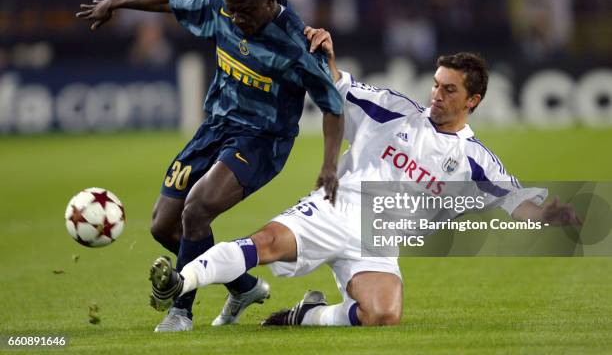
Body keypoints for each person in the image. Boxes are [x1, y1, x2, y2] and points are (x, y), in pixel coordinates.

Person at [147, 27, 580, 327]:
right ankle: (180, 282)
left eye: (450, 90)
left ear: (474, 100)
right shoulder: (393, 109)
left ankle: (304, 316)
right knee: (267, 245)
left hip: (377, 241)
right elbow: (337, 84)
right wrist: (327, 55)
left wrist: (546, 214)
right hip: (337, 208)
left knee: (383, 315)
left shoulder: (475, 160)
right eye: (435, 85)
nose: (436, 96)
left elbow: (515, 199)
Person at [76, 0, 344, 332]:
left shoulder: (299, 45)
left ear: (269, 2)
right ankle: (243, 285)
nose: (236, 18)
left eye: (245, 11)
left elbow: (333, 106)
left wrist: (329, 165)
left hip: (262, 140)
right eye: (232, 10)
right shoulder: (222, 7)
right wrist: (117, 2)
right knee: (163, 226)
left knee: (197, 210)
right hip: (215, 127)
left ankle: (180, 312)